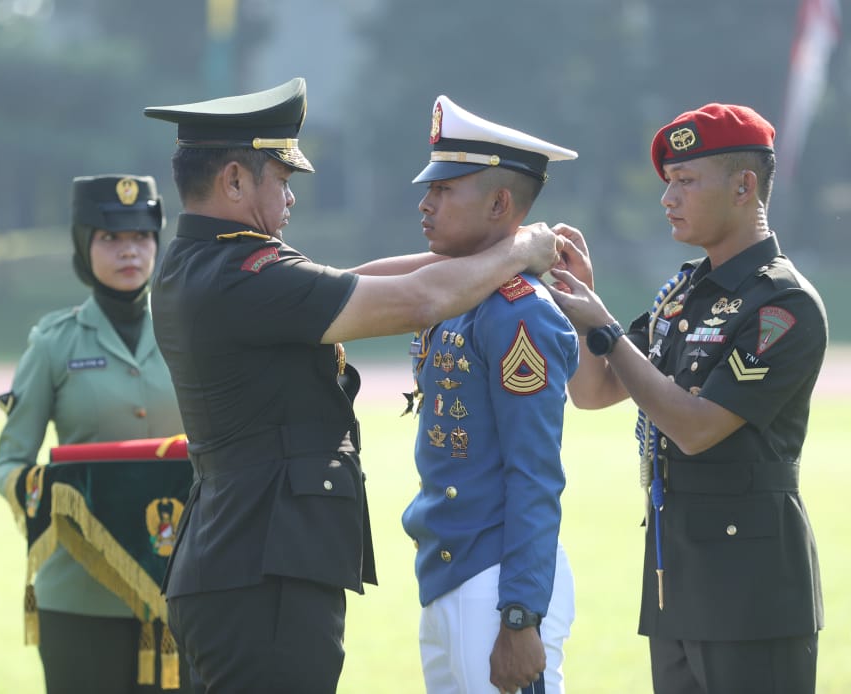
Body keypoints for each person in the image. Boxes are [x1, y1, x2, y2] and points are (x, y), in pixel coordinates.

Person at [142, 77, 563, 693]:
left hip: (235, 563)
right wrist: (523, 246)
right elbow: (419, 300)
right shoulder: (244, 273)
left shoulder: (203, 265)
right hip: (266, 576)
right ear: (234, 180)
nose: (290, 202)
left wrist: (499, 252)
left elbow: (353, 280)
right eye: (280, 181)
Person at [546, 104, 826, 694]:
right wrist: (583, 312)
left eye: (686, 181)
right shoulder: (683, 295)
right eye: (668, 183)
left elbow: (696, 428)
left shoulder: (783, 305)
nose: (668, 198)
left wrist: (608, 332)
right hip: (676, 577)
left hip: (753, 589)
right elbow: (595, 393)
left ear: (744, 186)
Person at [400, 95, 579, 694]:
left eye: (446, 189)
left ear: (501, 204)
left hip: (497, 584)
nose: (425, 202)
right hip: (453, 572)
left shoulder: (517, 314)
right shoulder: (457, 294)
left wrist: (522, 615)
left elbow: (535, 472)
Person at [0, 174, 191, 693]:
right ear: (85, 246)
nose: (129, 251)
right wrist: (55, 491)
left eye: (141, 237)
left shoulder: (190, 332)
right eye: (110, 238)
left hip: (186, 583)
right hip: (81, 590)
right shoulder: (53, 343)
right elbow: (11, 462)